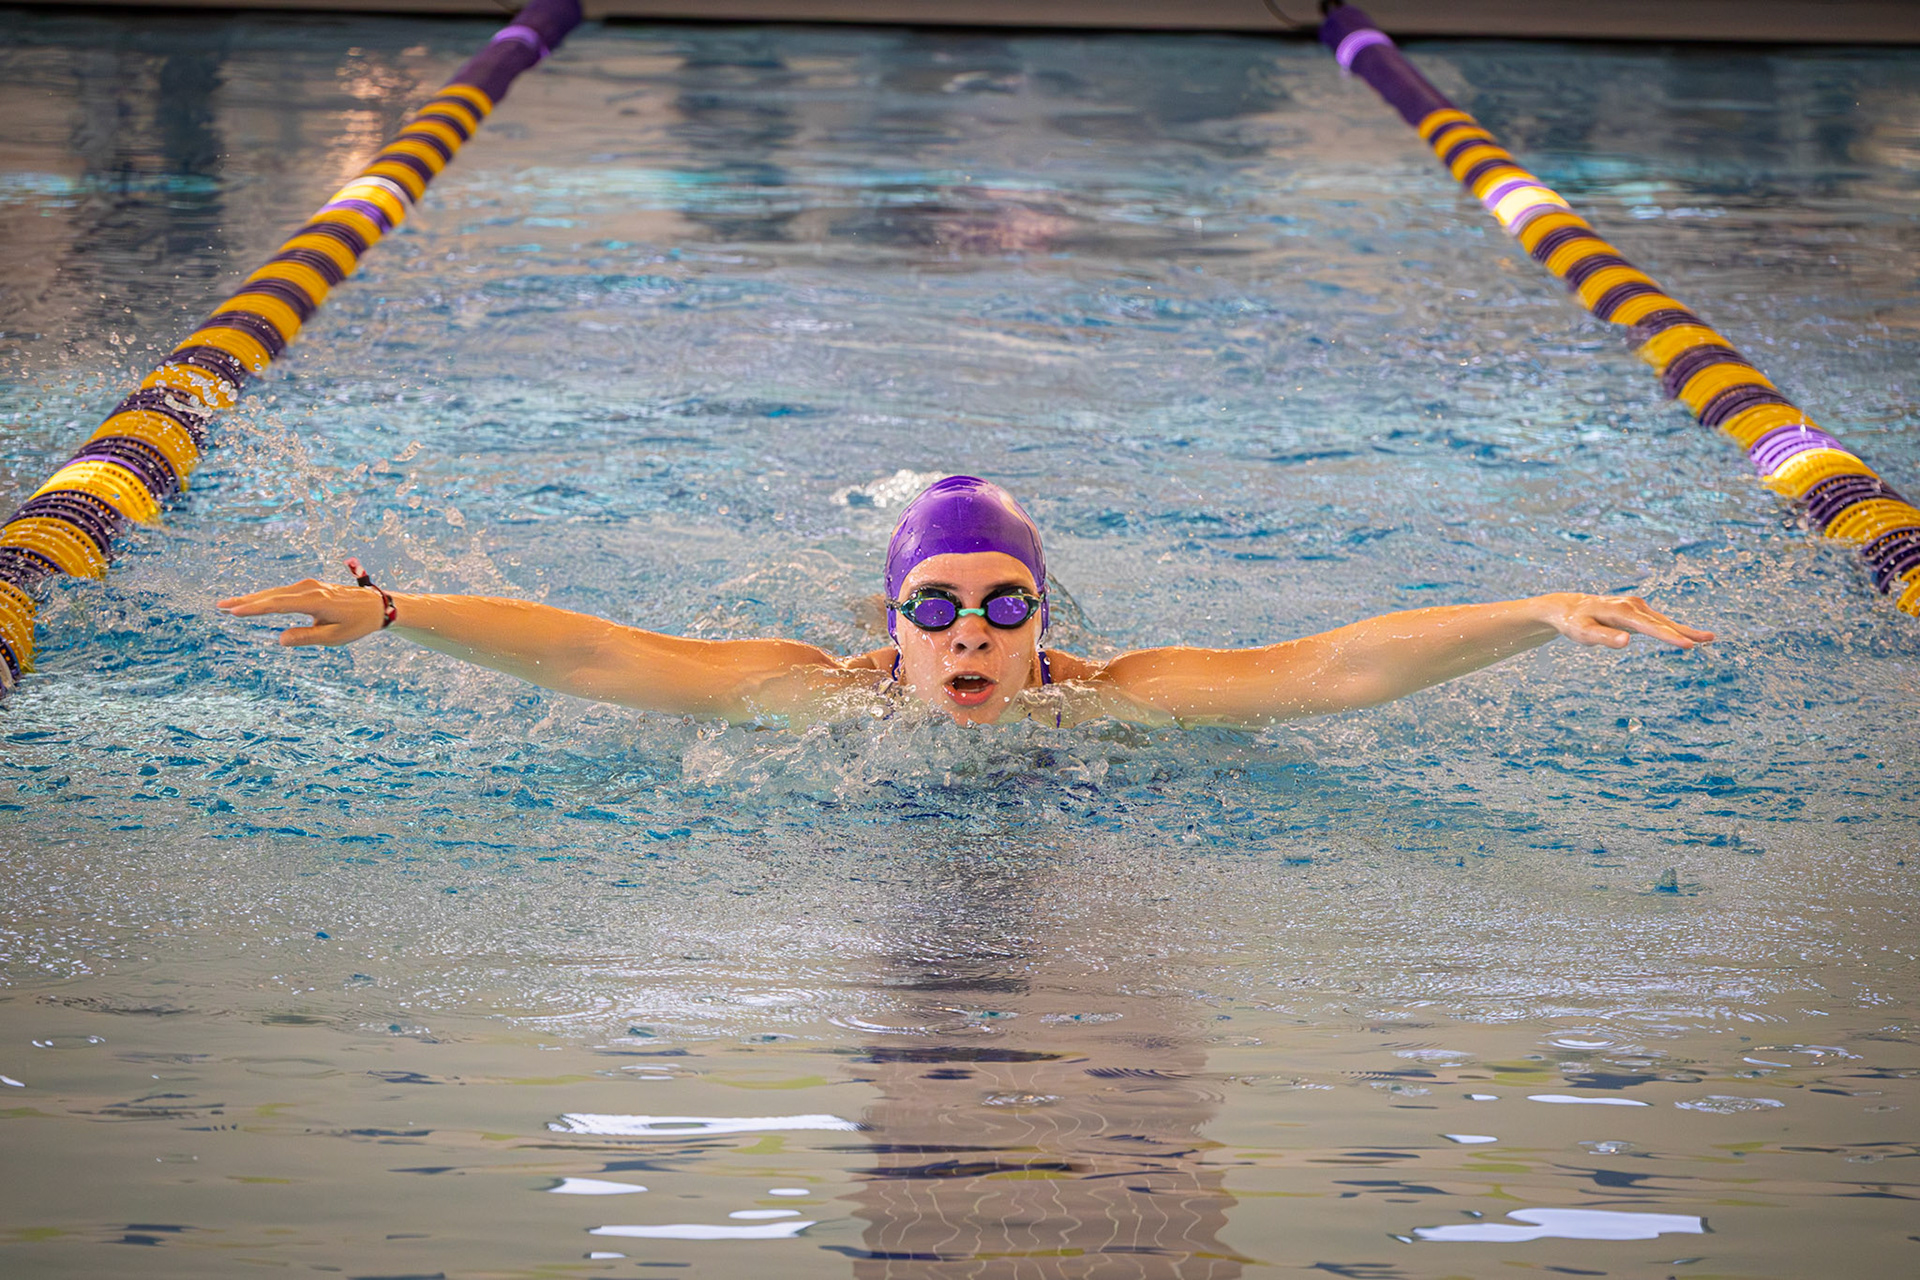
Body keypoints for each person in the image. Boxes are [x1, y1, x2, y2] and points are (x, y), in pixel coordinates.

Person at [216, 475, 1713, 730]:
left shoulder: (1112, 701)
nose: (973, 634)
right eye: (936, 609)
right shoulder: (817, 693)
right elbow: (603, 657)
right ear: (892, 625)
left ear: (1047, 620)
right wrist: (398, 614)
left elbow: (1326, 669)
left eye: (1005, 606)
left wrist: (1537, 610)